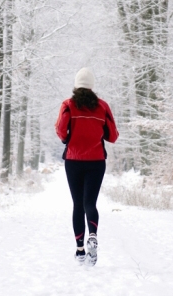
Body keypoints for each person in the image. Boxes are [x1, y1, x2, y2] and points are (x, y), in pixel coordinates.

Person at [55, 67, 119, 266]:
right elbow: (113, 135)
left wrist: (69, 138)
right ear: (92, 86)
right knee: (90, 203)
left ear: (76, 85)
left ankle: (80, 250)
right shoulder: (102, 106)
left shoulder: (68, 105)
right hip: (96, 161)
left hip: (74, 161)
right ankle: (93, 235)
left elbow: (60, 130)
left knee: (77, 205)